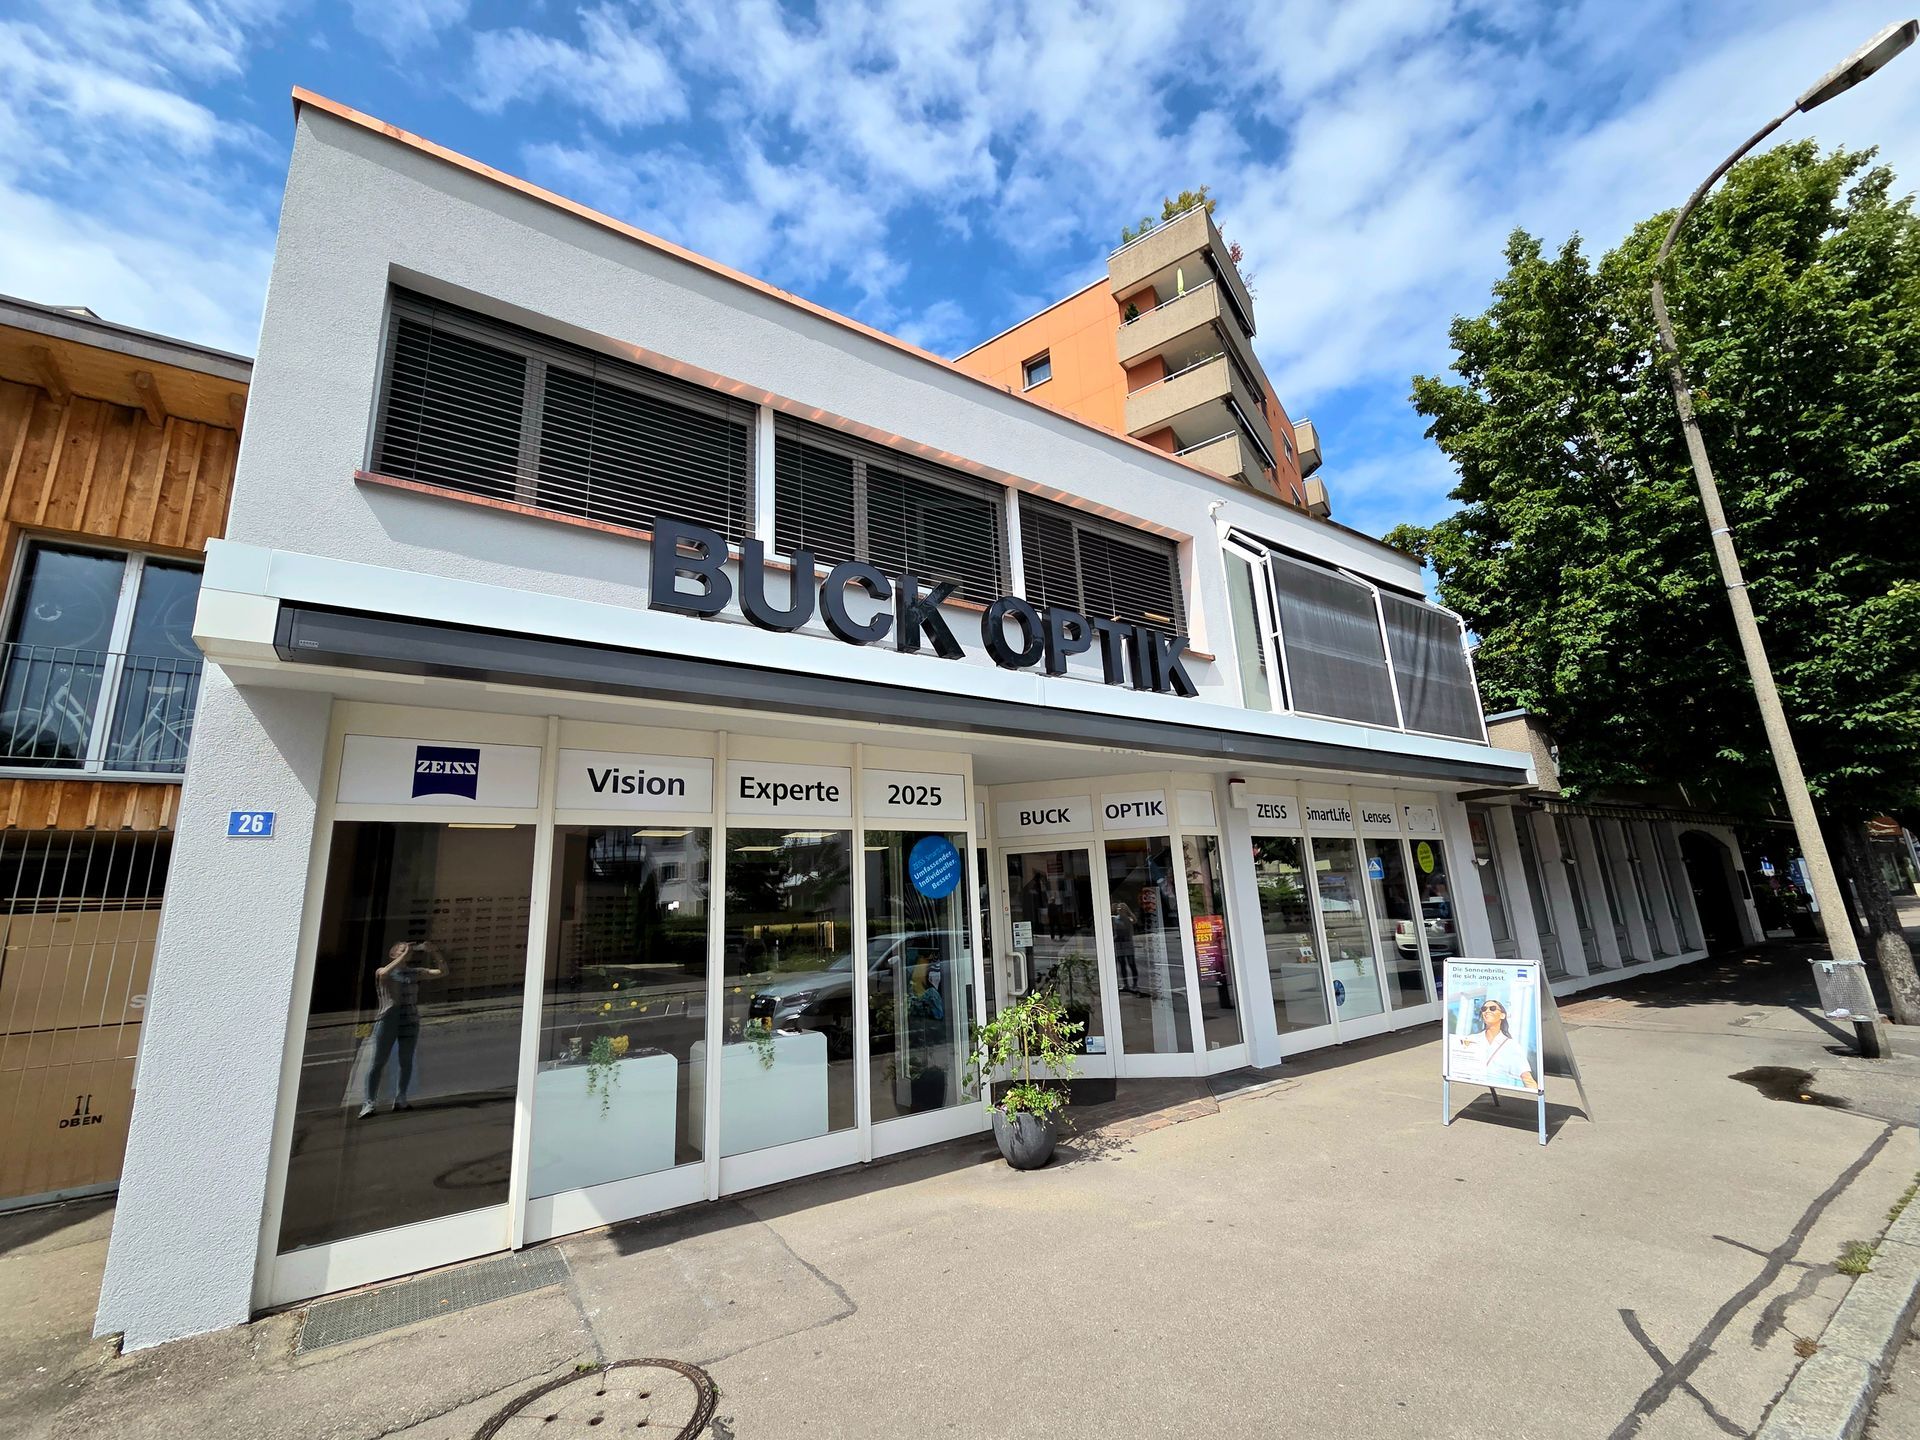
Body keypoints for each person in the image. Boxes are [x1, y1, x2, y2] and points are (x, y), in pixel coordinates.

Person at [360, 940, 444, 1117]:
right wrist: (404, 954)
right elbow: (384, 973)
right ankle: (369, 1102)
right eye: (401, 949)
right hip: (387, 1020)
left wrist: (435, 953)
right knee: (378, 1061)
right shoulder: (384, 971)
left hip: (410, 1020)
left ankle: (401, 1098)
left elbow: (442, 972)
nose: (406, 951)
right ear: (393, 954)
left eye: (408, 949)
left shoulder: (414, 972)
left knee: (406, 1061)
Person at [1459, 996, 1537, 1091]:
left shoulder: (1511, 1045)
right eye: (1484, 1009)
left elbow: (1527, 1078)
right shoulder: (1471, 1039)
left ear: (1502, 1015)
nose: (1487, 1011)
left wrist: (1538, 1099)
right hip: (1471, 1089)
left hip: (1504, 1091)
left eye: (1492, 1008)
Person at [1111, 898, 1139, 994]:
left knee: (1131, 963)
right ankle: (1125, 984)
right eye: (1119, 908)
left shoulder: (1129, 919)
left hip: (1128, 943)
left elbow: (1134, 920)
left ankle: (1135, 984)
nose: (1120, 910)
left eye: (1122, 908)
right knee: (1122, 964)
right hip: (1119, 944)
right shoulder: (1114, 919)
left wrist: (1128, 912)